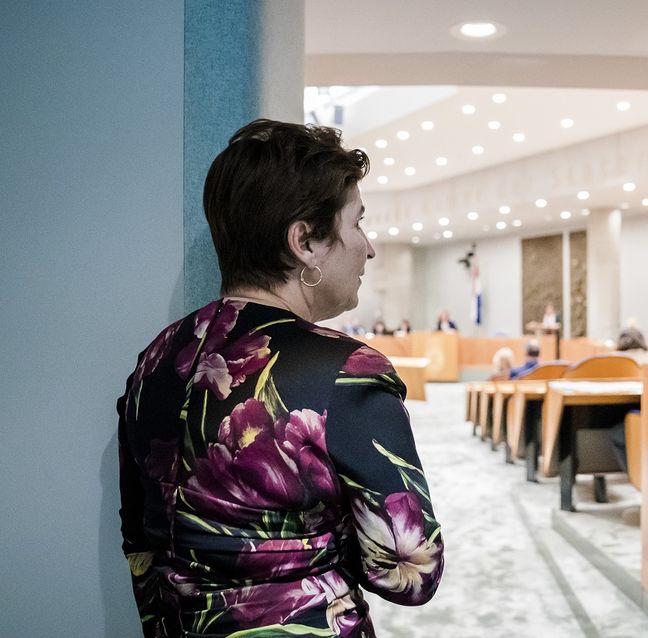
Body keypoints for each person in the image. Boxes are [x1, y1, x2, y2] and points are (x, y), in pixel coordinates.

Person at [117, 119, 444, 637]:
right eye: (358, 223)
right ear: (305, 242)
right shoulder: (347, 373)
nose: (369, 247)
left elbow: (139, 538)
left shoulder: (158, 357)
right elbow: (410, 572)